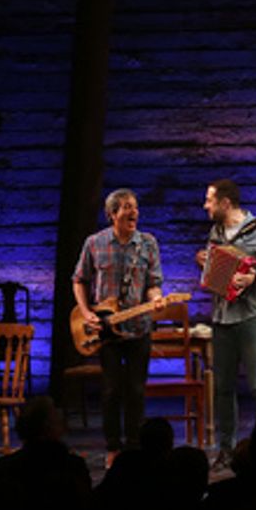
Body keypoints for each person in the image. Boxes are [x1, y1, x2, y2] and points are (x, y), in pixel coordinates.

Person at [196, 178, 256, 468]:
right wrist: (205, 262)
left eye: (210, 200)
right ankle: (226, 449)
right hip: (222, 317)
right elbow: (215, 269)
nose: (205, 206)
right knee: (223, 387)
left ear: (225, 203)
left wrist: (254, 278)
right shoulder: (216, 232)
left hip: (251, 316)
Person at [73, 188, 164, 468]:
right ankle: (113, 447)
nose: (132, 211)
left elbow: (153, 284)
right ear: (112, 214)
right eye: (125, 207)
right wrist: (87, 312)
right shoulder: (95, 243)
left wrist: (157, 298)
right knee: (112, 390)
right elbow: (79, 279)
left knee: (136, 390)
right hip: (105, 329)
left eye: (134, 206)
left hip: (139, 327)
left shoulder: (147, 244)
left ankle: (135, 448)